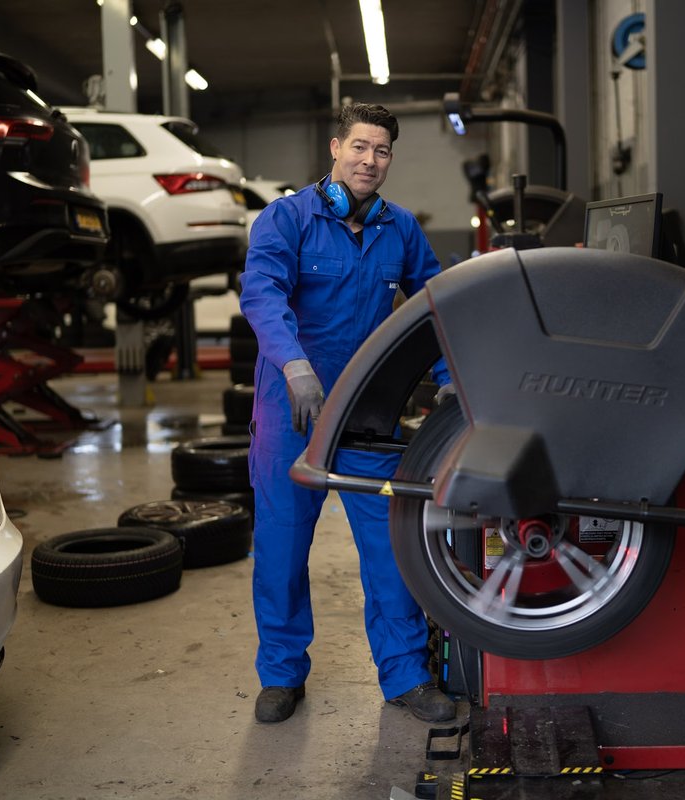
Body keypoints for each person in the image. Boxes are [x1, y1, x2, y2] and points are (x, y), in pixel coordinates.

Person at [238, 103, 455, 725]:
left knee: (390, 549)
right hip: (291, 414)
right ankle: (282, 675)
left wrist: (449, 382)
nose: (369, 160)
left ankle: (406, 675)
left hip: (365, 414)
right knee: (280, 551)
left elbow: (435, 305)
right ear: (336, 148)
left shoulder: (400, 228)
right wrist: (293, 364)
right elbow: (262, 292)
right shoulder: (286, 219)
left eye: (382, 151)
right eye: (359, 147)